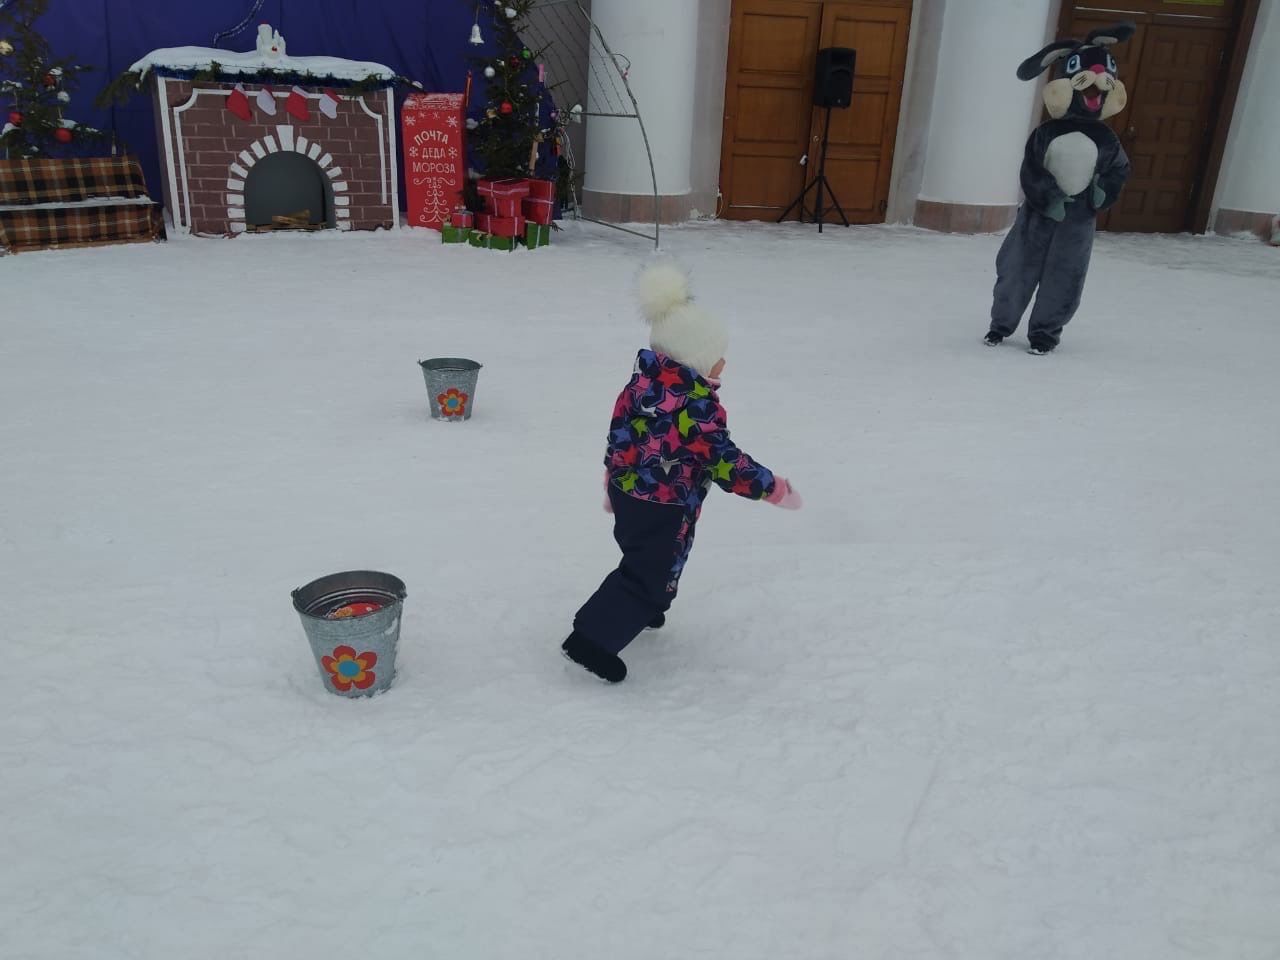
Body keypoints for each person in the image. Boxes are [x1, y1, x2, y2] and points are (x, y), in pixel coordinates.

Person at [562, 260, 803, 683]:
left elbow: (620, 431)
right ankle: (591, 640)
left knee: (648, 558)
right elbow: (723, 458)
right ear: (695, 361)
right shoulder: (695, 405)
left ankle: (650, 605)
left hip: (629, 491)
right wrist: (771, 488)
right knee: (648, 571)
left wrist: (610, 478)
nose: (723, 365)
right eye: (717, 358)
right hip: (664, 503)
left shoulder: (642, 385)